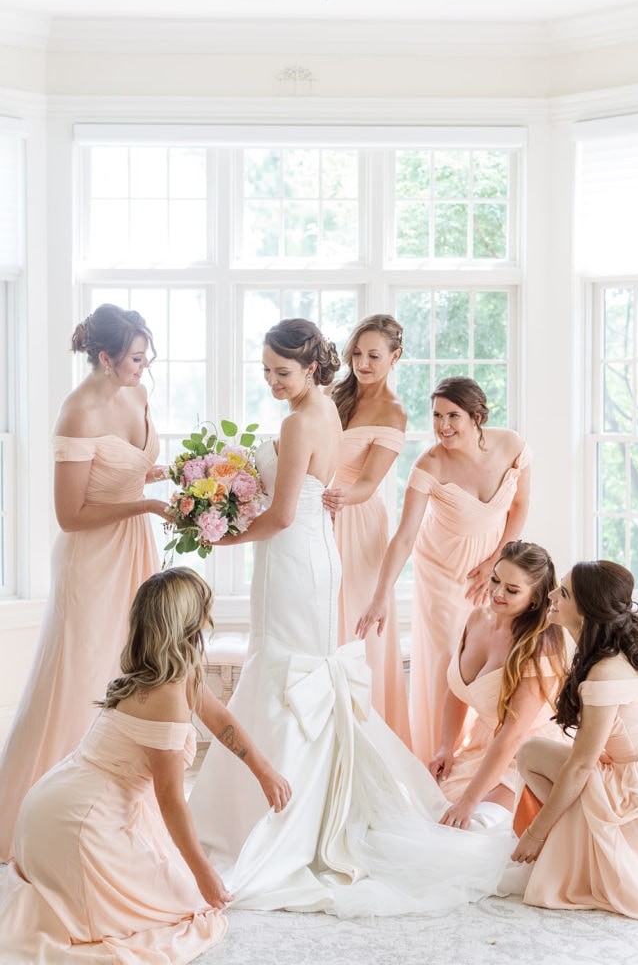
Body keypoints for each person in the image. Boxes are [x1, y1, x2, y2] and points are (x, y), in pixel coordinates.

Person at [189, 319, 514, 917]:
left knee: (286, 668)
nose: (270, 382)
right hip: (315, 555)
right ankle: (294, 800)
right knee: (289, 665)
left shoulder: (301, 418)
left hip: (294, 556)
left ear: (311, 368)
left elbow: (284, 514)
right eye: (264, 371)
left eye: (280, 372)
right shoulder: (328, 410)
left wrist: (217, 536)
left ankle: (290, 812)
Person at [0, 566, 292, 963]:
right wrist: (203, 872)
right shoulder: (168, 695)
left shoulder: (162, 672)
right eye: (205, 611)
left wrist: (264, 771)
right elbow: (171, 798)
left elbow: (220, 719)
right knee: (190, 907)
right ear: (189, 623)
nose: (210, 619)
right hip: (77, 827)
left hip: (45, 811)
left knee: (177, 885)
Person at [0, 304, 170, 863]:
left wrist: (169, 476)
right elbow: (71, 514)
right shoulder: (76, 413)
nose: (144, 368)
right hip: (91, 557)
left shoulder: (138, 395)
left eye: (147, 357)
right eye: (136, 358)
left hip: (134, 547)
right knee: (83, 674)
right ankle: (48, 815)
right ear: (105, 357)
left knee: (129, 668)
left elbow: (131, 467)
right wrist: (143, 501)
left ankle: (118, 809)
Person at [358, 376, 531, 764]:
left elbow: (519, 507)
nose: (443, 425)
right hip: (441, 571)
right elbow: (403, 537)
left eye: (453, 416)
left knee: (493, 650)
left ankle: (480, 753)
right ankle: (438, 755)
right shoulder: (430, 464)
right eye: (436, 415)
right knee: (447, 660)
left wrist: (495, 566)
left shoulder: (512, 445)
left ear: (477, 417)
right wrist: (380, 596)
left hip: (492, 568)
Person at [511, 561, 638, 921]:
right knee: (543, 755)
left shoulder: (606, 671)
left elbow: (581, 764)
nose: (553, 596)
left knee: (531, 752)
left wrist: (534, 834)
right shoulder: (606, 658)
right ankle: (572, 844)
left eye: (565, 592)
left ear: (587, 610)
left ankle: (565, 846)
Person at [428, 541, 566, 832]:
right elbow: (457, 690)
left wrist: (469, 799)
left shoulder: (539, 644)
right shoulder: (477, 617)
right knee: (426, 811)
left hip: (527, 754)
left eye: (512, 590)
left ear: (534, 598)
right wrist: (446, 747)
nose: (497, 593)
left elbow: (513, 735)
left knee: (476, 828)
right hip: (482, 745)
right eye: (495, 580)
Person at [323, 314, 410, 745]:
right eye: (356, 353)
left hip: (357, 522)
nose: (363, 363)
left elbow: (367, 484)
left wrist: (333, 499)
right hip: (323, 509)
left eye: (374, 355)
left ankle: (368, 739)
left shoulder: (394, 413)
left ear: (395, 357)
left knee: (354, 629)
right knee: (320, 623)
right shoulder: (336, 396)